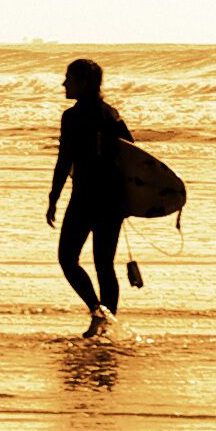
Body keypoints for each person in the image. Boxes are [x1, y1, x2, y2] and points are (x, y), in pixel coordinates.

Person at [45, 55, 134, 333]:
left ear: (83, 83)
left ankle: (98, 312)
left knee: (67, 259)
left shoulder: (72, 117)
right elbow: (132, 152)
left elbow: (64, 159)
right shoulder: (111, 113)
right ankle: (106, 323)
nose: (63, 84)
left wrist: (53, 198)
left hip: (84, 198)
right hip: (112, 200)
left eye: (68, 78)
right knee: (104, 265)